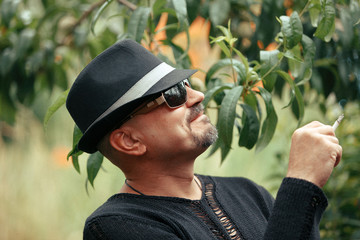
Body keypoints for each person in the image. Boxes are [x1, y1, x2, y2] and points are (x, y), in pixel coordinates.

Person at [66, 39, 342, 240]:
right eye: (173, 94)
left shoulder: (249, 193)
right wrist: (302, 184)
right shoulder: (115, 227)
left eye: (187, 84)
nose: (197, 96)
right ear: (129, 141)